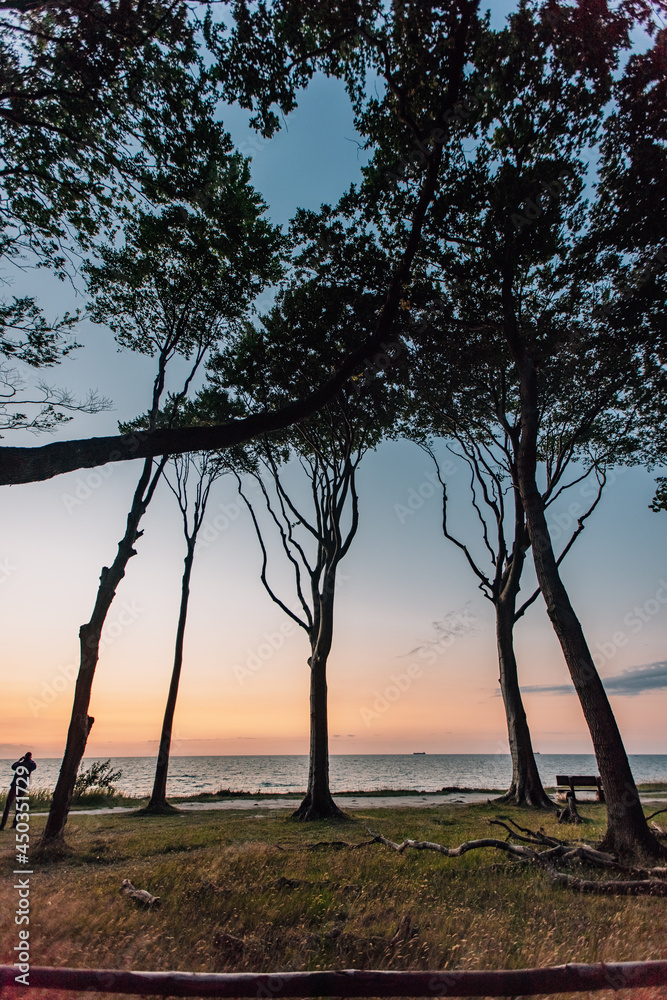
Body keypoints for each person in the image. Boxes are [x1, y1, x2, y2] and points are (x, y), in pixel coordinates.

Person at [1, 752, 36, 830]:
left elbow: (13, 767)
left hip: (15, 785)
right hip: (22, 786)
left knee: (8, 805)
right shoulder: (30, 765)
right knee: (18, 806)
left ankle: (2, 825)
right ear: (30, 757)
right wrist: (31, 760)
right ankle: (15, 824)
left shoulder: (20, 764)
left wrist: (19, 760)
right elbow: (34, 766)